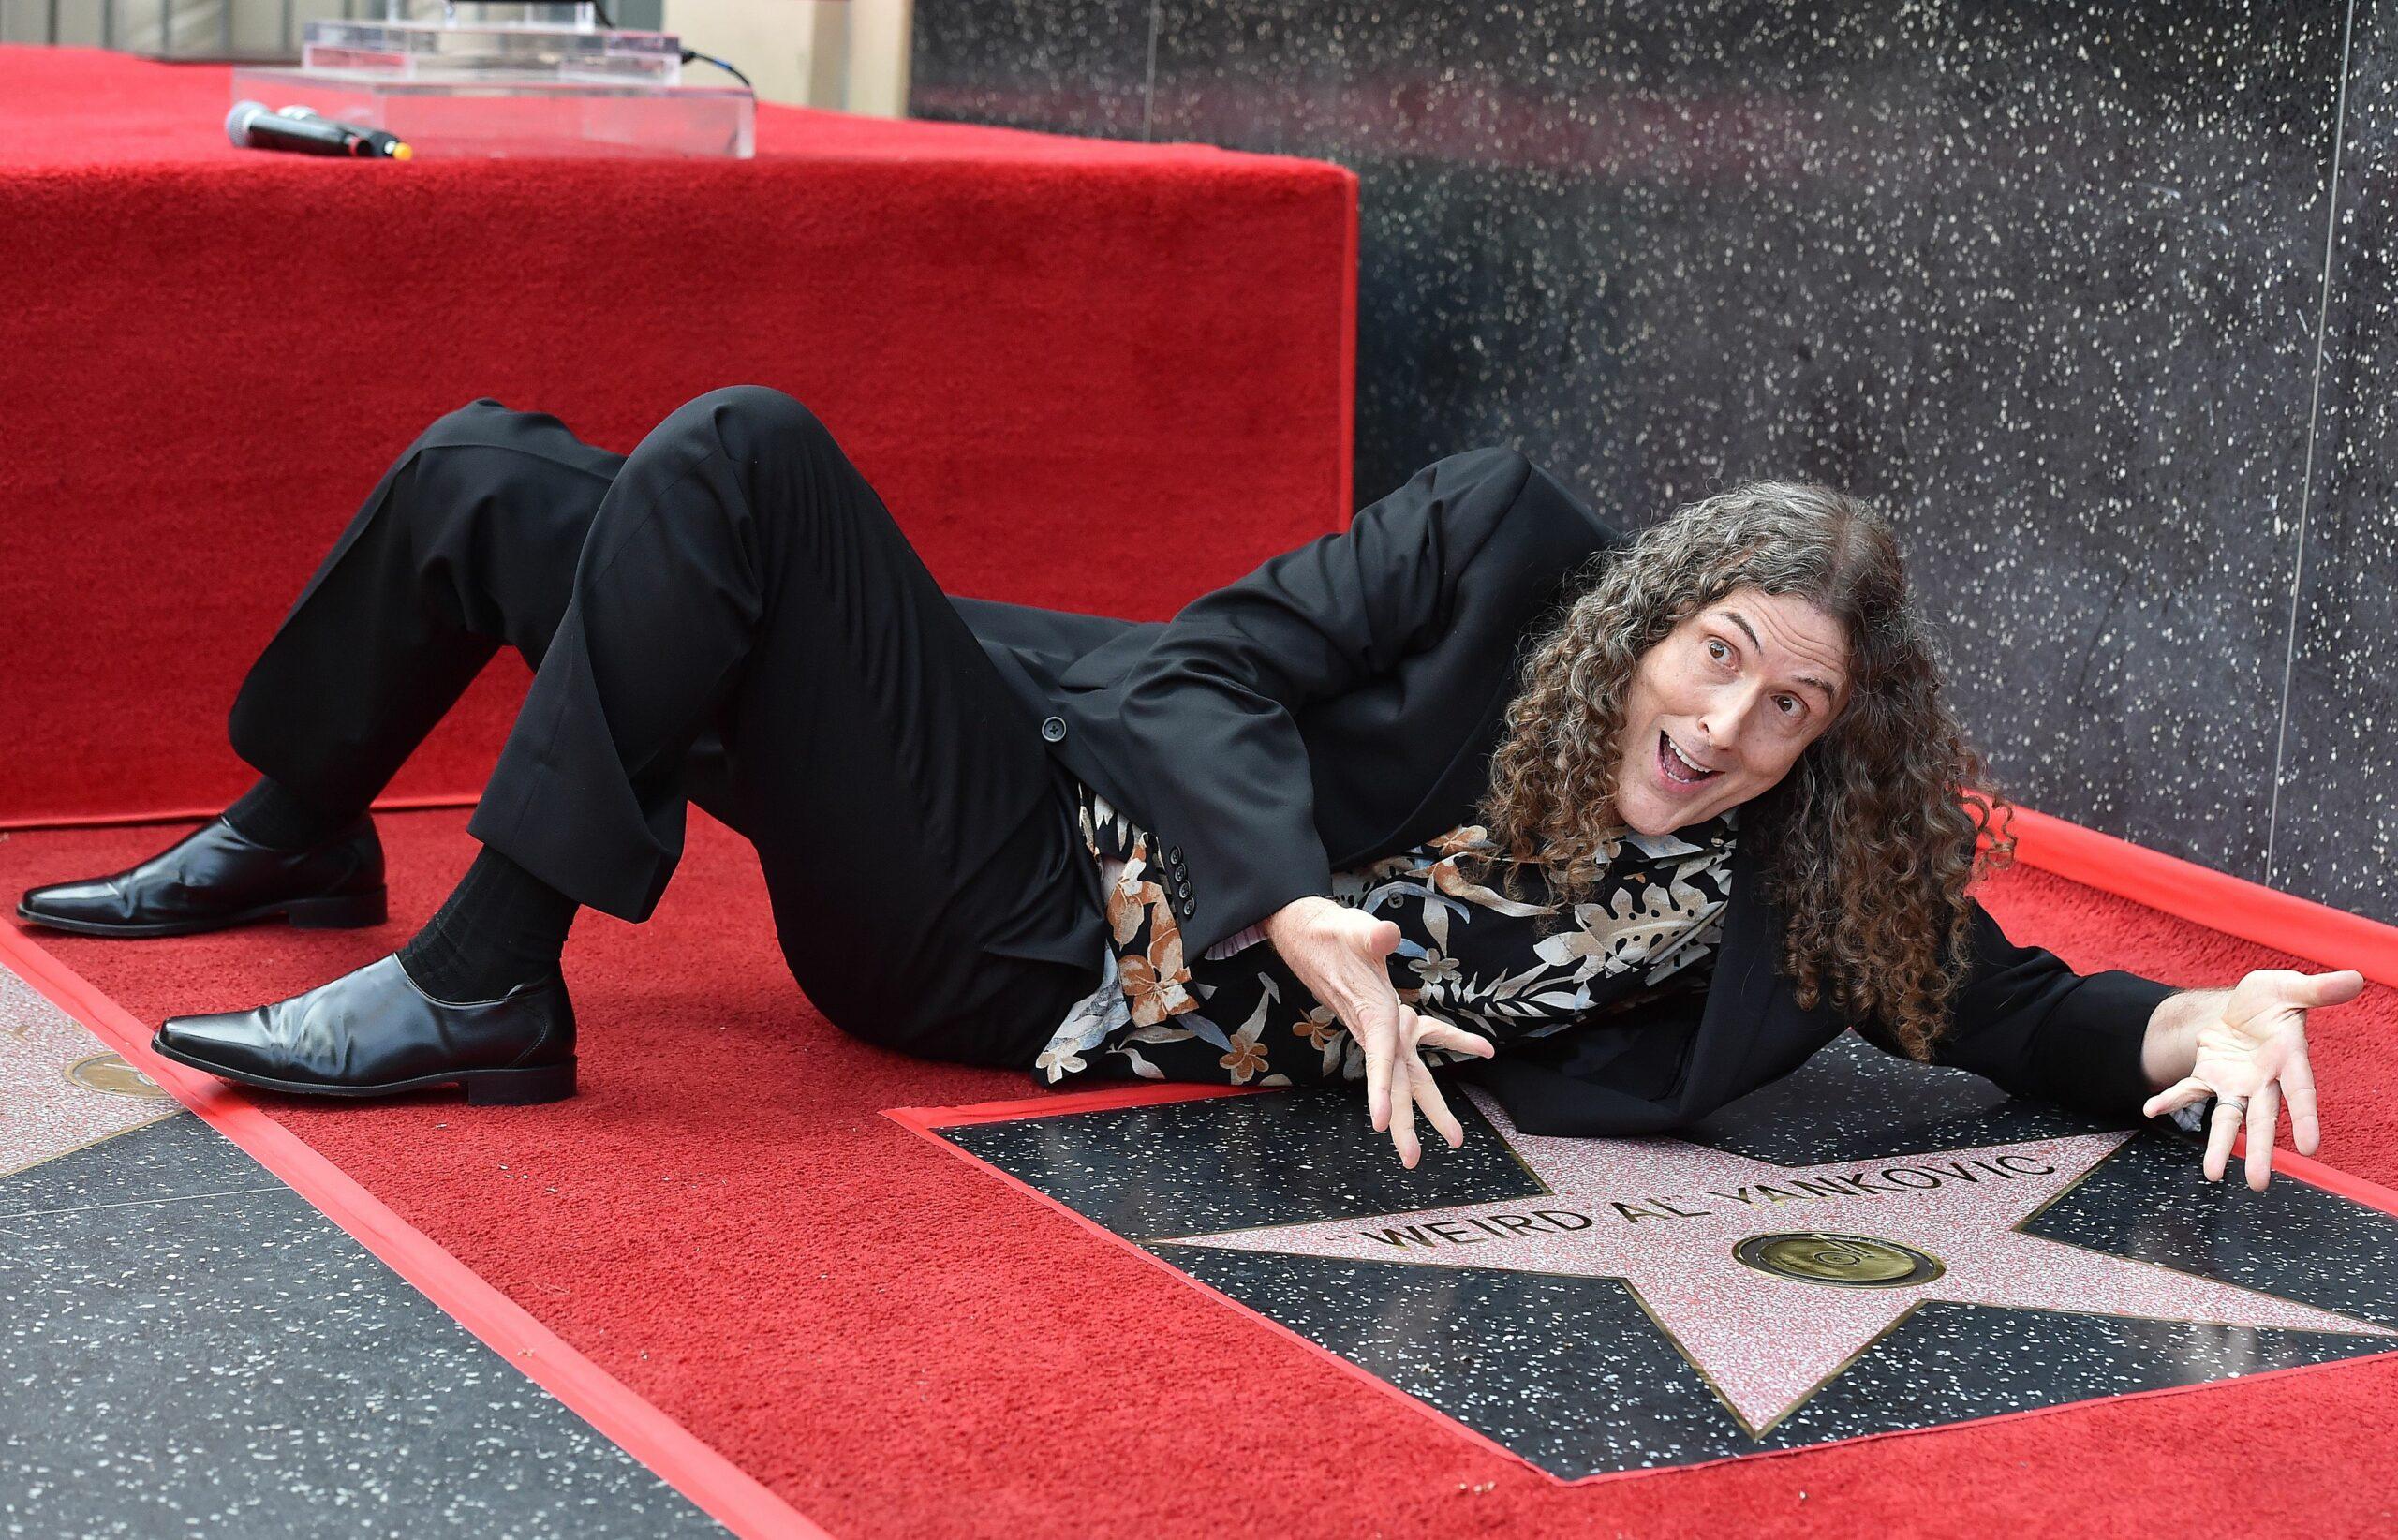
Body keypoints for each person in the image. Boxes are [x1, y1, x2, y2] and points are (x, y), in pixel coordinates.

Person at [16, 387, 2361, 1190]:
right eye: (1713, 657)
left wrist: (2203, 1029)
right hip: (1057, 800)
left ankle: (485, 982)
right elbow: (1188, 670)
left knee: (737, 455)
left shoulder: (1776, 889)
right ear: (1648, 613)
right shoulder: (1494, 548)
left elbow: (2023, 1006)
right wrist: (1290, 905)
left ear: (1827, 747)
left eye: (1786, 714)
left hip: (1014, 953)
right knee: (495, 476)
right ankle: (303, 826)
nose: (1722, 730)